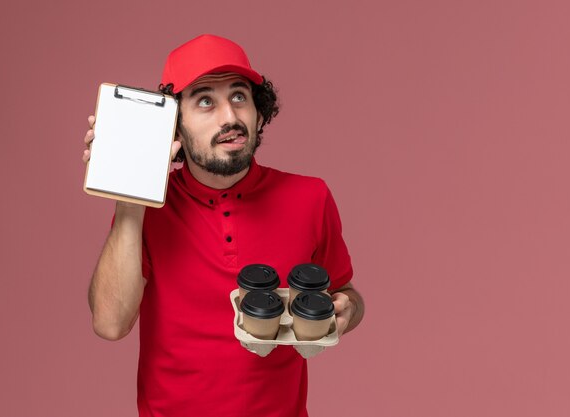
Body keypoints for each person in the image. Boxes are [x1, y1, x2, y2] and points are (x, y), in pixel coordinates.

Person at [83, 34, 364, 417]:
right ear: (175, 128)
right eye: (204, 101)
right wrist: (130, 197)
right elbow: (110, 324)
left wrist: (348, 311)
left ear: (258, 111)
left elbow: (346, 293)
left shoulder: (310, 197)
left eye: (238, 97)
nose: (229, 118)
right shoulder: (148, 206)